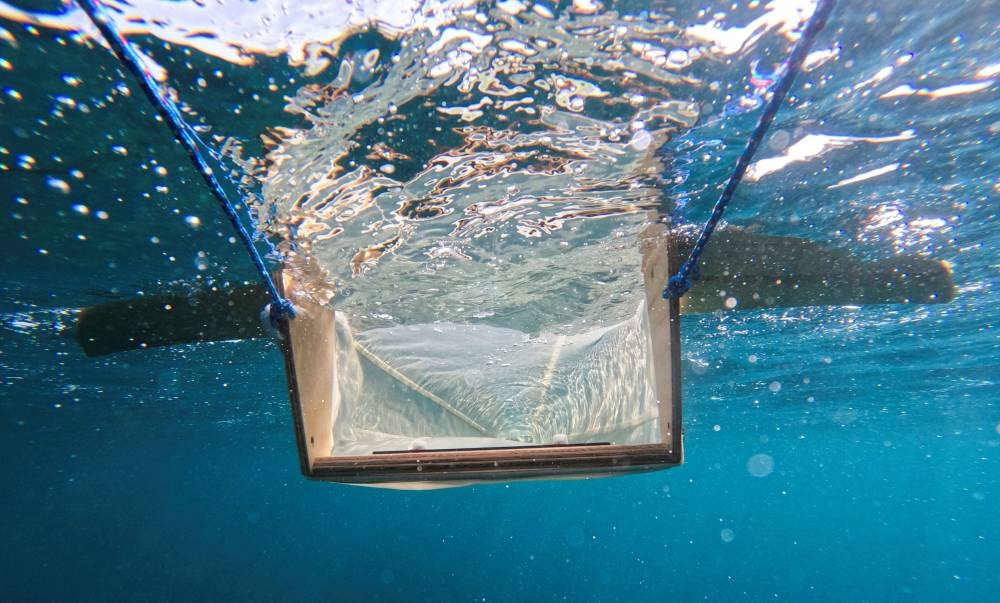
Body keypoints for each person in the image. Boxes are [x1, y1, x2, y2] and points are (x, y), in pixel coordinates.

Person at [74, 226, 955, 357]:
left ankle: (893, 280)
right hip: (567, 290)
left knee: (689, 272)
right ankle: (893, 281)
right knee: (690, 276)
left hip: (595, 286)